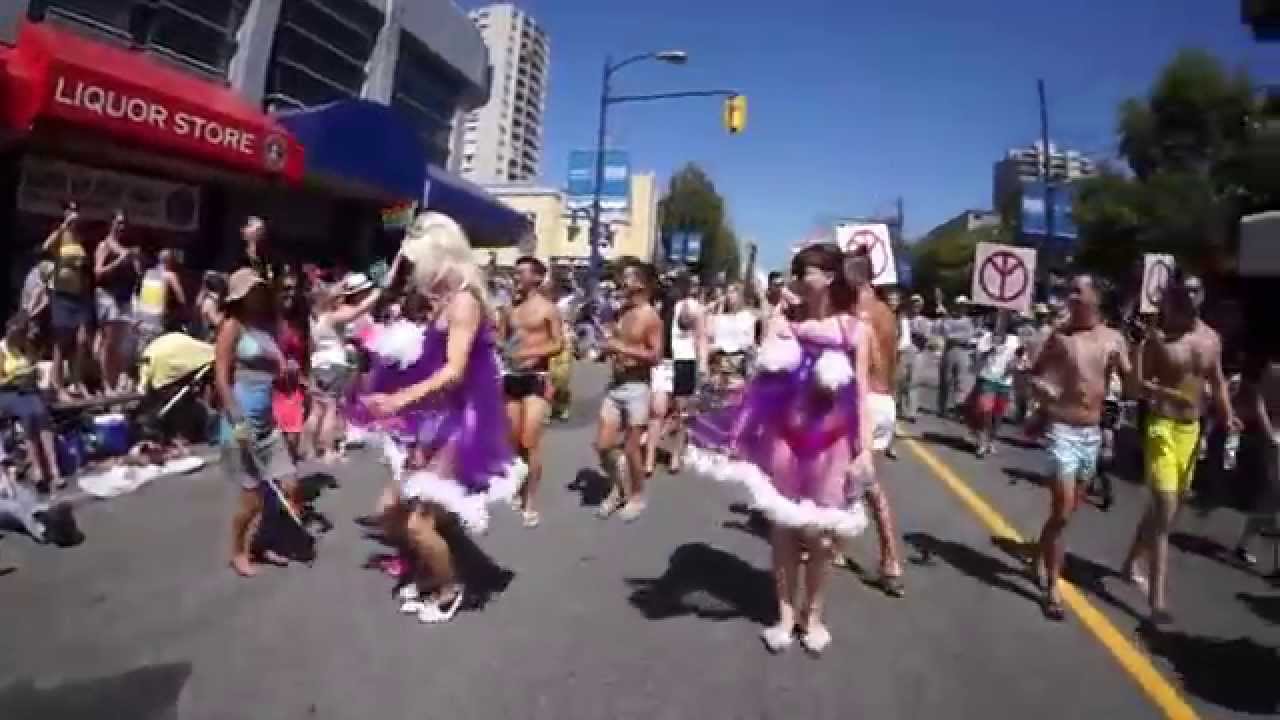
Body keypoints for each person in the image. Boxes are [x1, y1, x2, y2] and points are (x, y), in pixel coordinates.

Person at [686, 243, 871, 655]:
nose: (803, 277)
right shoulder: (785, 322)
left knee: (823, 537)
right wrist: (777, 317)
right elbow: (762, 377)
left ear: (831, 276)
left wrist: (866, 452)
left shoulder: (855, 329)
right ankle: (785, 616)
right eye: (800, 269)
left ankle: (814, 615)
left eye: (811, 270)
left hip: (833, 441)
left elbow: (861, 393)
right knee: (784, 529)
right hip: (786, 435)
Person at [360, 212, 523, 625]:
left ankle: (449, 589)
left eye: (420, 263)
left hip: (458, 425)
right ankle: (430, 573)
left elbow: (453, 371)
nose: (417, 274)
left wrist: (399, 400)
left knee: (419, 523)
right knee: (392, 509)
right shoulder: (444, 303)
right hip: (435, 421)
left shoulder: (465, 300)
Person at [1121, 276, 1237, 624]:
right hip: (1161, 425)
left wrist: (1228, 417)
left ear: (1203, 296)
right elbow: (1137, 387)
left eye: (1195, 290)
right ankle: (1158, 600)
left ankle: (1130, 562)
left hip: (1191, 430)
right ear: (1174, 296)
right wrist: (1168, 392)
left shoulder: (1211, 339)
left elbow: (1216, 381)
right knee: (1166, 507)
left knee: (1165, 508)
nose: (1189, 296)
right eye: (1183, 291)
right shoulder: (1158, 338)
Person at [1026, 274, 1132, 621]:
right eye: (1070, 292)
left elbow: (1133, 385)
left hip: (1091, 432)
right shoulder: (1060, 337)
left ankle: (1041, 552)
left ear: (1095, 299)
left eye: (1077, 291)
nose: (1071, 297)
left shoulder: (1114, 339)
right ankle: (1052, 587)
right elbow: (1034, 373)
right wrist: (1043, 393)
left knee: (1067, 514)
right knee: (1060, 510)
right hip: (1062, 430)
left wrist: (1129, 362)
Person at [215, 268, 298, 578]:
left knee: (288, 483)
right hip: (241, 418)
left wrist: (286, 370)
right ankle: (239, 551)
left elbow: (275, 373)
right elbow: (221, 379)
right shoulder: (231, 326)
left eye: (259, 289)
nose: (257, 295)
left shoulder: (264, 328)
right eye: (251, 291)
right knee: (251, 498)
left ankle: (262, 541)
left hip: (267, 419)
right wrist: (236, 420)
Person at [836, 248, 905, 597]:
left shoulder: (859, 313)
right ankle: (838, 542)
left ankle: (890, 559)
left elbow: (870, 359)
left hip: (865, 402)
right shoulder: (888, 312)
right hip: (885, 402)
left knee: (867, 481)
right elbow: (896, 360)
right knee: (852, 475)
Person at [596, 260, 663, 521]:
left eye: (629, 278)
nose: (623, 282)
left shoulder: (651, 317)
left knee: (633, 448)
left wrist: (620, 348)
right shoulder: (623, 312)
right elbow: (613, 343)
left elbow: (655, 356)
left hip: (637, 387)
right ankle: (619, 487)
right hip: (615, 385)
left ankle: (636, 496)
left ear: (643, 283)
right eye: (623, 278)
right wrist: (604, 348)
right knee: (602, 446)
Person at [501, 256, 563, 527]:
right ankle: (516, 486)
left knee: (530, 441)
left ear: (537, 278)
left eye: (521, 273)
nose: (516, 278)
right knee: (513, 439)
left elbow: (558, 343)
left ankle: (530, 502)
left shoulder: (549, 309)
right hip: (511, 377)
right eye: (515, 273)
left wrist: (531, 353)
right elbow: (501, 340)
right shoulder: (511, 309)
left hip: (536, 378)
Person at [306, 272, 382, 463]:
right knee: (331, 408)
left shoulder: (314, 318)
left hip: (318, 363)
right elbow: (358, 311)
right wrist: (377, 293)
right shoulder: (331, 317)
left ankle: (309, 449)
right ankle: (328, 450)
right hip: (334, 363)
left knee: (316, 410)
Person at [644, 270, 702, 481]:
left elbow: (700, 336)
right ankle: (649, 457)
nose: (672, 288)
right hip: (663, 362)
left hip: (684, 362)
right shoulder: (660, 306)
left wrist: (702, 365)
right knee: (657, 410)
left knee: (680, 412)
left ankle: (676, 455)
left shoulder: (691, 307)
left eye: (676, 283)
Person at [1231, 340, 1280, 571]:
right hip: (1276, 438)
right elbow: (1260, 400)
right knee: (1272, 497)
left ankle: (1246, 544)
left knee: (1271, 500)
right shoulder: (1275, 369)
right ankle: (1245, 544)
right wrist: (1269, 431)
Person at [0, 312, 63, 492]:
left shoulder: (27, 347)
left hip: (28, 391)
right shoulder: (2, 349)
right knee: (28, 415)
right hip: (8, 393)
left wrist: (32, 374)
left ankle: (54, 470)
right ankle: (38, 470)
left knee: (41, 414)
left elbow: (34, 367)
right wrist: (15, 378)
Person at [43, 202, 94, 401]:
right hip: (62, 295)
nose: (75, 214)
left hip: (79, 295)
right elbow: (45, 248)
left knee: (82, 340)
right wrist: (64, 226)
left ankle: (77, 380)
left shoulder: (80, 237)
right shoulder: (60, 233)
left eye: (77, 211)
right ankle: (58, 386)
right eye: (71, 211)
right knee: (61, 343)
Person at [93, 210, 141, 395]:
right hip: (108, 295)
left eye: (124, 223)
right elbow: (97, 272)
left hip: (124, 297)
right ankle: (106, 384)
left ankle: (114, 383)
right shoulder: (104, 245)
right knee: (108, 342)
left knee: (119, 343)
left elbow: (137, 274)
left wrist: (135, 262)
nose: (122, 227)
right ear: (111, 224)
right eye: (118, 223)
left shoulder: (126, 247)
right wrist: (119, 262)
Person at [970, 310, 1021, 458]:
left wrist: (1015, 363)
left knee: (998, 415)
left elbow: (1018, 357)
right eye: (999, 320)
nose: (1001, 322)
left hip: (1005, 381)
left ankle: (991, 440)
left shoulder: (1014, 340)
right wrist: (990, 348)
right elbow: (978, 355)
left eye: (1005, 320)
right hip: (988, 378)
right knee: (985, 410)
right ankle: (982, 442)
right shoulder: (987, 337)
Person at [274, 269, 310, 462]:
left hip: (294, 389)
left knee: (292, 441)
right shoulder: (271, 321)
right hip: (273, 389)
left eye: (294, 289)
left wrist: (306, 379)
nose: (290, 293)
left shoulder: (299, 320)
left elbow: (304, 354)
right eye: (286, 289)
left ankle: (288, 485)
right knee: (278, 444)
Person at [136, 249, 187, 353]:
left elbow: (140, 295)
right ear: (170, 261)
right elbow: (181, 298)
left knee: (142, 352)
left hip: (143, 320)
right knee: (156, 351)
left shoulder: (148, 273)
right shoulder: (169, 275)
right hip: (158, 322)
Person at [709, 282, 757, 394]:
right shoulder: (722, 317)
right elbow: (713, 335)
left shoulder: (748, 316)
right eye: (728, 292)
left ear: (740, 295)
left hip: (738, 364)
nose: (729, 295)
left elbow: (749, 343)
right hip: (719, 365)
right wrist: (718, 307)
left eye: (733, 292)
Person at [937, 295, 977, 418]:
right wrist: (957, 336)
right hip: (949, 351)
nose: (962, 308)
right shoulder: (948, 319)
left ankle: (957, 408)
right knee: (945, 380)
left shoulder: (969, 321)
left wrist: (956, 336)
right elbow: (946, 335)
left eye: (964, 306)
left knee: (961, 381)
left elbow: (968, 337)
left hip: (963, 352)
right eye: (960, 305)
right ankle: (942, 408)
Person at [191, 272, 228, 342]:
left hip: (205, 335)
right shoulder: (209, 302)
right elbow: (216, 322)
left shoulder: (206, 298)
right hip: (206, 337)